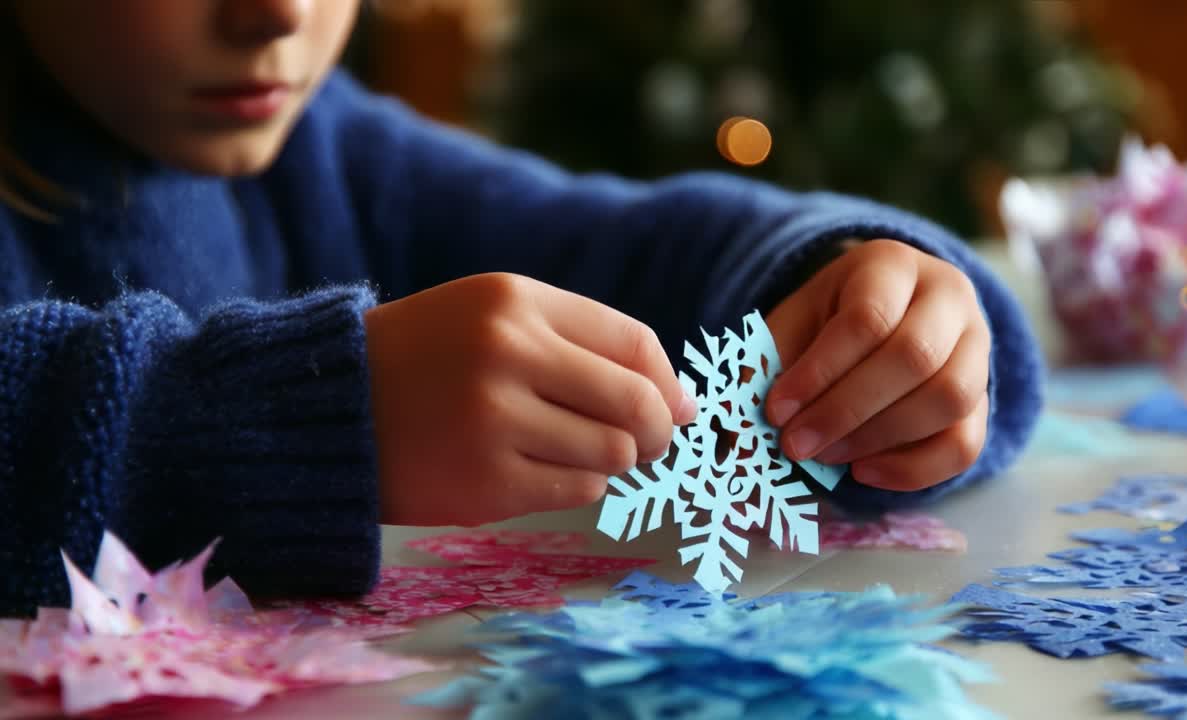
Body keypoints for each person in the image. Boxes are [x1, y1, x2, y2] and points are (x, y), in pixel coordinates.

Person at [0, 0, 1043, 617]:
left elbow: (624, 243)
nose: (278, 13)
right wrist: (301, 418)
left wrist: (858, 288)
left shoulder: (320, 144)